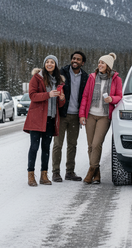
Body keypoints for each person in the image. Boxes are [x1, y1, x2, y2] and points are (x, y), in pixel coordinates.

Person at [79, 52, 122, 184]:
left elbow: (120, 96)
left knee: (97, 144)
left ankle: (91, 170)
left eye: (102, 63)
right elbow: (85, 96)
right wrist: (82, 115)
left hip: (104, 116)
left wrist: (112, 99)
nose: (100, 65)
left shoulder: (116, 79)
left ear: (108, 65)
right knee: (90, 146)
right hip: (91, 114)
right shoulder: (92, 77)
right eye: (99, 62)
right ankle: (97, 174)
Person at [23, 55, 65, 187]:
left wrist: (62, 98)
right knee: (34, 147)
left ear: (55, 65)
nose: (49, 64)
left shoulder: (58, 80)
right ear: (44, 64)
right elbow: (32, 95)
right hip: (37, 118)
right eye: (47, 62)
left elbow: (60, 104)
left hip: (50, 118)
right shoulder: (37, 78)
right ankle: (31, 175)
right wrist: (48, 95)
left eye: (52, 62)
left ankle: (44, 175)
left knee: (46, 148)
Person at [51, 51, 89, 182]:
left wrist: (83, 114)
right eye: (73, 58)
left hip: (75, 116)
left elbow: (86, 96)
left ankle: (70, 172)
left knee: (72, 145)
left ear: (82, 63)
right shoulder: (62, 72)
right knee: (57, 144)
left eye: (78, 59)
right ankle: (55, 172)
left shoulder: (85, 76)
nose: (75, 61)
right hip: (62, 115)